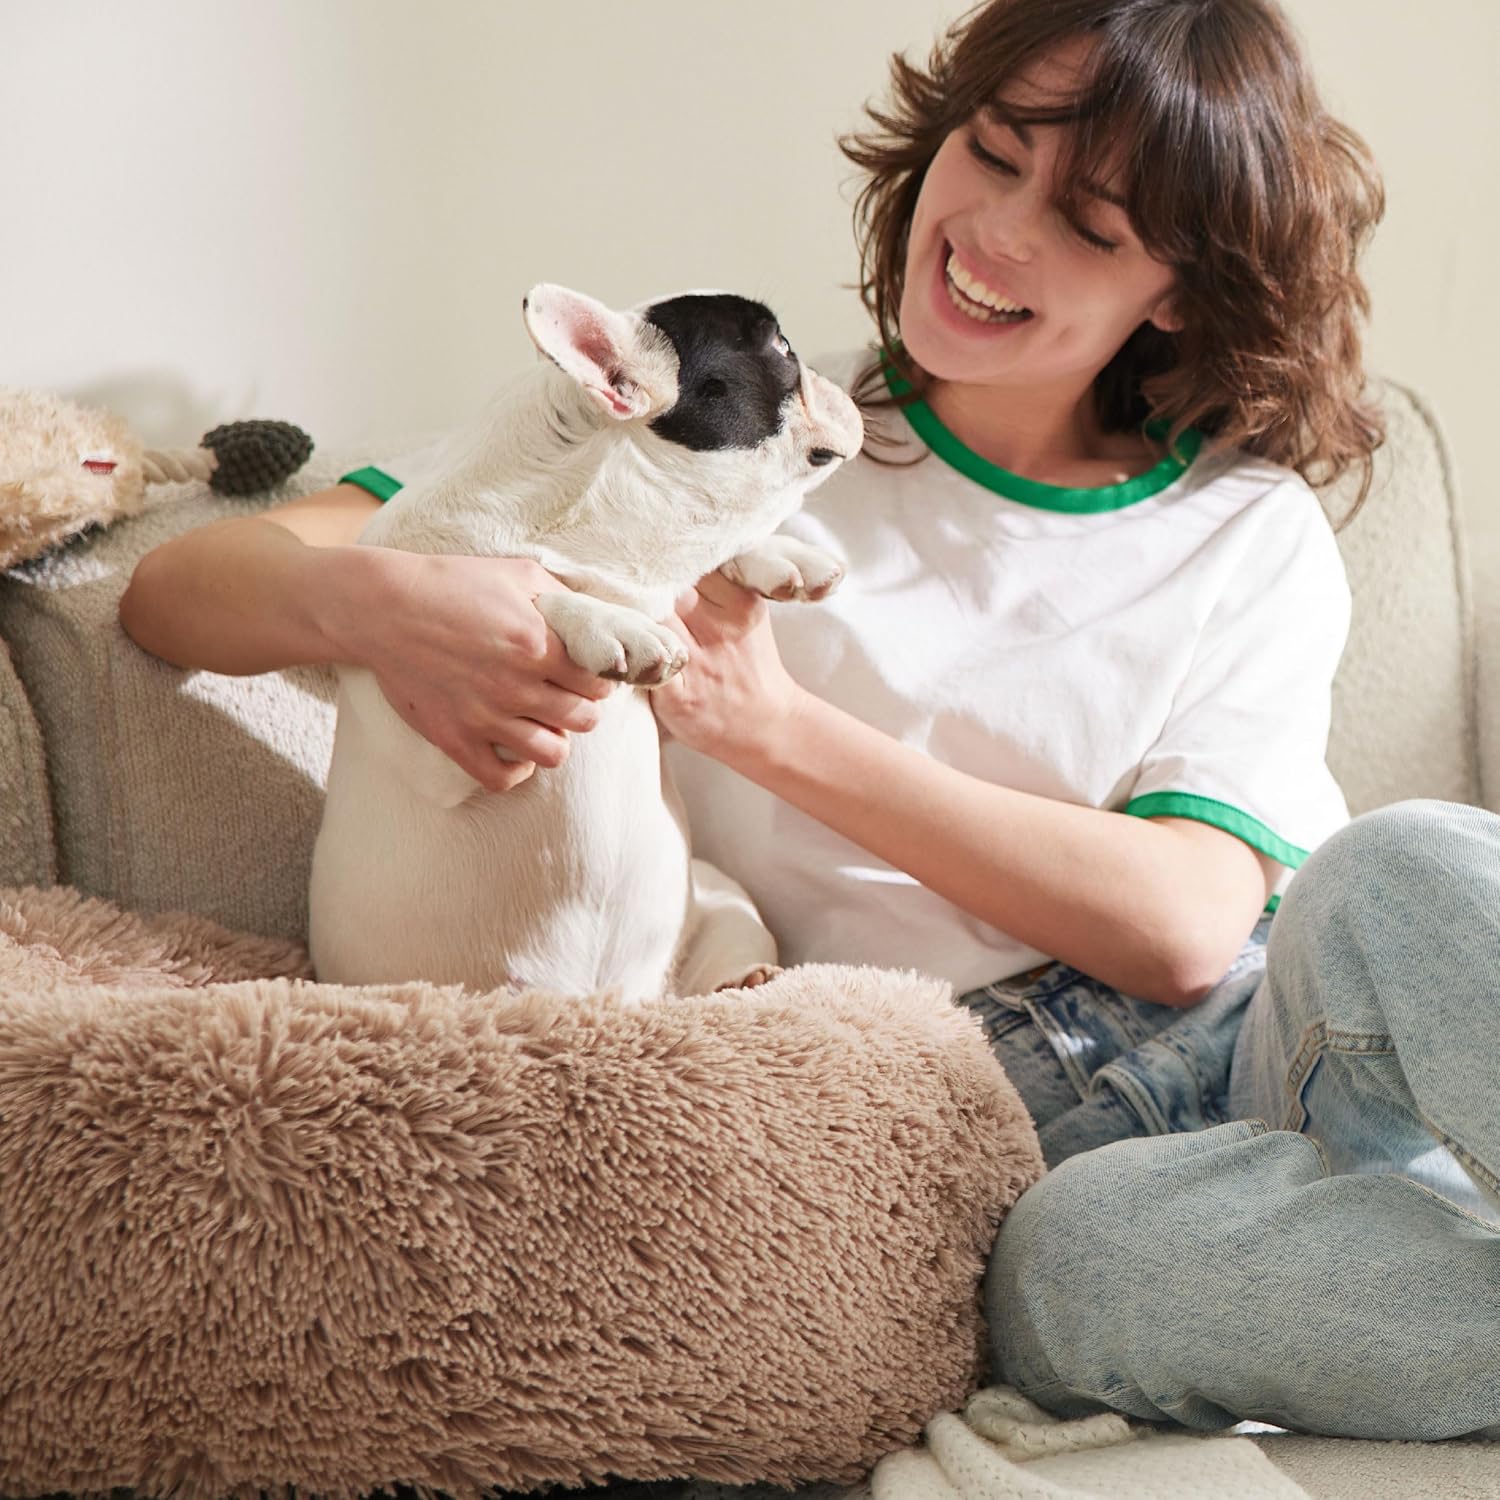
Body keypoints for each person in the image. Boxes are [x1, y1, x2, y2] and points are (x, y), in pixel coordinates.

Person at [119, 0, 1499, 1442]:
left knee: (1403, 869)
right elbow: (174, 592)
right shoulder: (705, 437)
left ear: (1173, 287)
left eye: (1088, 223)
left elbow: (1184, 926)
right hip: (992, 1136)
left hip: (1272, 1037)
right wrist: (377, 609)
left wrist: (767, 725)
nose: (996, 232)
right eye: (992, 149)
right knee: (1072, 1276)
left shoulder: (1242, 527)